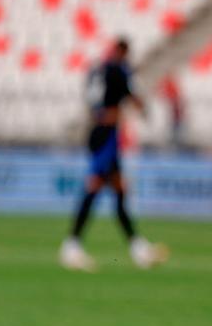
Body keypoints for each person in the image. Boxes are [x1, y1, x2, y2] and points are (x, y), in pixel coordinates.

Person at [60, 38, 167, 271]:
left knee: (118, 190)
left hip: (99, 133)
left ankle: (137, 248)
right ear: (123, 51)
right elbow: (132, 96)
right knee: (96, 186)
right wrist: (143, 110)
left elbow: (91, 98)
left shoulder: (98, 69)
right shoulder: (118, 70)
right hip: (107, 136)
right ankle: (72, 246)